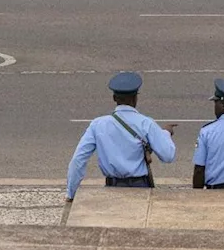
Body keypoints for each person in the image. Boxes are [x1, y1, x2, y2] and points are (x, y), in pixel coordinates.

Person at [65, 72, 176, 204]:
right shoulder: (146, 123)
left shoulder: (98, 124)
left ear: (114, 98)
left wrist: (71, 193)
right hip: (140, 189)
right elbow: (168, 155)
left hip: (112, 188)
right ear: (135, 98)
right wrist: (166, 134)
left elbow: (78, 160)